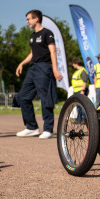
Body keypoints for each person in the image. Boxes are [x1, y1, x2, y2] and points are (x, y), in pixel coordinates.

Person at [15, 9, 63, 139]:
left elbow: (53, 52)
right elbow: (32, 54)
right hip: (33, 69)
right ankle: (31, 127)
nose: (27, 21)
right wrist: (22, 63)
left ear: (36, 19)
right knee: (23, 96)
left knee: (45, 98)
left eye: (28, 19)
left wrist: (55, 69)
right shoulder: (32, 36)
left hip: (44, 67)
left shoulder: (47, 33)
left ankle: (48, 129)